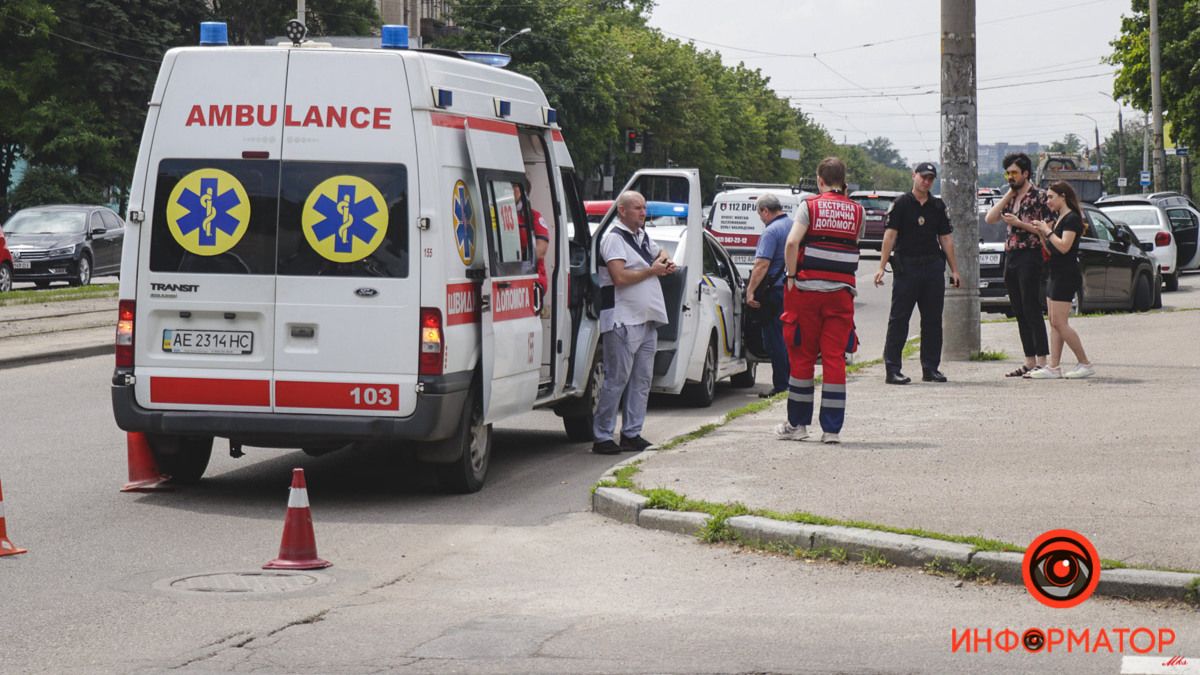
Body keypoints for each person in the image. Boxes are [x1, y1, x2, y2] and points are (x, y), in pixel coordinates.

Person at [776, 157, 865, 444]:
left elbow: (792, 243)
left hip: (807, 291)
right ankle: (831, 430)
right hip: (841, 293)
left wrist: (790, 276)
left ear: (820, 179)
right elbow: (854, 242)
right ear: (844, 179)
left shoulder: (810, 206)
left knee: (802, 356)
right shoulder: (857, 211)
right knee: (834, 358)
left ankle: (798, 425)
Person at [592, 190, 677, 454]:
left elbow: (660, 251)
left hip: (646, 319)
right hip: (622, 319)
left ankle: (632, 433)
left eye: (644, 207)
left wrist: (663, 261)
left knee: (641, 380)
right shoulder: (614, 240)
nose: (643, 212)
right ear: (622, 211)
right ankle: (603, 435)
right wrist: (653, 270)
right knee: (616, 379)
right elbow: (619, 277)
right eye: (637, 208)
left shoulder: (641, 236)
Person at [874, 162, 962, 384]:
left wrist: (954, 269)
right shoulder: (902, 204)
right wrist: (881, 266)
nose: (926, 181)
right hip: (907, 267)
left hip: (932, 267)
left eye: (930, 178)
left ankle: (930, 368)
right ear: (914, 176)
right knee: (899, 320)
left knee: (932, 320)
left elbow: (946, 239)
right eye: (923, 177)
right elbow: (890, 236)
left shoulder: (937, 206)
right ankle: (892, 369)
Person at [985, 152, 1051, 377]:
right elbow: (990, 218)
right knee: (1018, 309)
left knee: (1031, 307)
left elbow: (1046, 228)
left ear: (1026, 173)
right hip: (1011, 255)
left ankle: (1042, 360)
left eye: (1014, 173)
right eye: (1008, 173)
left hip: (1030, 255)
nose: (1010, 177)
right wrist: (1008, 196)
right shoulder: (1010, 197)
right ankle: (1029, 360)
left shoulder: (1040, 197)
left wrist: (1021, 224)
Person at [1026, 181, 1095, 379]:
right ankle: (1053, 366)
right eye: (1047, 197)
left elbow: (1064, 246)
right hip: (1054, 271)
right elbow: (1051, 249)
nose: (1048, 201)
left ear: (1063, 196)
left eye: (1051, 197)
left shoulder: (1072, 218)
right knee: (1054, 322)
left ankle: (1085, 362)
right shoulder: (1058, 219)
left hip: (1066, 274)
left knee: (1060, 321)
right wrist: (1042, 233)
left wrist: (1047, 231)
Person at [744, 194, 792, 398]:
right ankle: (792, 381)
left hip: (773, 292)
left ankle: (782, 385)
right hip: (790, 288)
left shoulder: (771, 232)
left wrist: (750, 290)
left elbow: (762, 264)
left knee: (774, 340)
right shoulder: (792, 225)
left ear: (765, 210)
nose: (761, 219)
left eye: (760, 214)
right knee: (788, 338)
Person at [514, 182, 550, 310]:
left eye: (515, 186)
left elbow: (541, 250)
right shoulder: (501, 214)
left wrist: (517, 258)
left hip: (532, 276)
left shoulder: (534, 217)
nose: (511, 190)